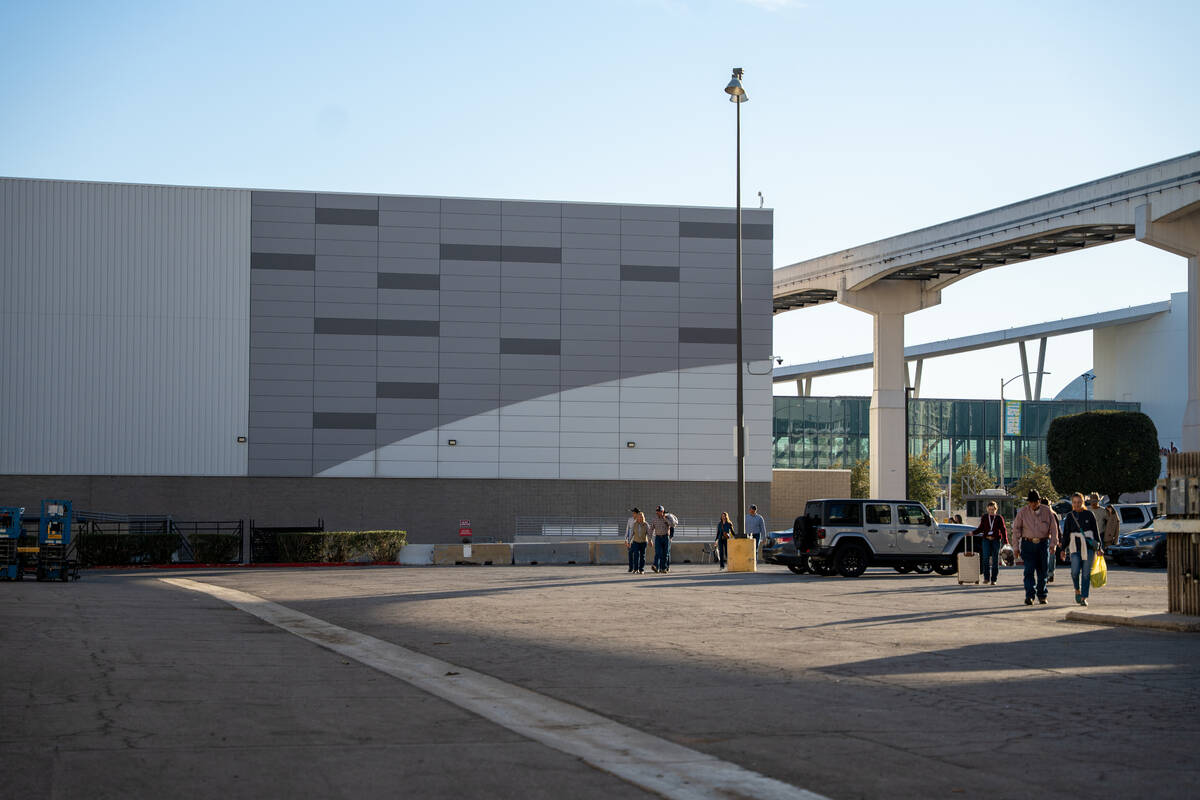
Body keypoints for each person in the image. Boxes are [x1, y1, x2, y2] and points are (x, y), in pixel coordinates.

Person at [1011, 489, 1059, 605]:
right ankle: (1030, 595)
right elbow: (1016, 530)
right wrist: (1016, 548)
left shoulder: (1047, 511)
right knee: (1029, 570)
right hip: (1028, 544)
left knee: (1043, 571)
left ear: (1039, 501)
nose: (1033, 504)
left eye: (1035, 501)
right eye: (1031, 502)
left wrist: (1053, 544)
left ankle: (1042, 595)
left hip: (1043, 544)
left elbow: (1054, 529)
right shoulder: (1022, 512)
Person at [1062, 492, 1102, 606]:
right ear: (1072, 503)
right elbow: (1066, 534)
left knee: (1086, 574)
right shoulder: (1070, 516)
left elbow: (1096, 532)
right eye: (1074, 502)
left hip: (1088, 548)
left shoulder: (1089, 514)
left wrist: (1099, 547)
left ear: (1083, 502)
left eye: (1079, 502)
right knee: (1074, 572)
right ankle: (1077, 590)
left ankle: (1084, 597)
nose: (1077, 504)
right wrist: (1063, 549)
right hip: (1075, 547)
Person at [971, 500, 1008, 585]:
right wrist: (972, 533)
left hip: (996, 540)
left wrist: (1006, 541)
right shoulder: (984, 517)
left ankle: (994, 579)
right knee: (985, 559)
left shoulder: (999, 518)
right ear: (987, 509)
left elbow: (1003, 529)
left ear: (996, 509)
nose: (991, 511)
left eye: (993, 509)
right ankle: (986, 578)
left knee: (995, 560)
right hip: (986, 540)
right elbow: (981, 528)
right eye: (990, 509)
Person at [649, 505, 678, 573]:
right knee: (658, 552)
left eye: (659, 511)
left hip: (666, 537)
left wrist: (665, 519)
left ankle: (664, 568)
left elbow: (672, 525)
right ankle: (656, 566)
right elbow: (651, 529)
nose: (657, 513)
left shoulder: (667, 518)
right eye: (657, 511)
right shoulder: (655, 519)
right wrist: (649, 539)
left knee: (665, 553)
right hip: (658, 537)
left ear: (662, 511)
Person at [624, 507, 641, 573]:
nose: (633, 514)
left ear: (637, 514)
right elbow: (627, 529)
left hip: (637, 539)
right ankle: (631, 567)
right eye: (633, 513)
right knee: (630, 553)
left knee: (637, 554)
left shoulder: (640, 519)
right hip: (630, 540)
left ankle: (637, 568)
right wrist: (626, 539)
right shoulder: (630, 519)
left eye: (634, 513)